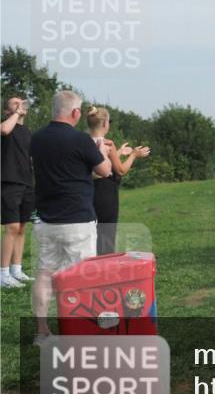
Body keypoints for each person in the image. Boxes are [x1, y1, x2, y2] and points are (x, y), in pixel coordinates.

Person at [30, 90, 113, 343]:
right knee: (85, 275)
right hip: (77, 219)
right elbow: (105, 171)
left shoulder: (36, 139)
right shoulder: (81, 140)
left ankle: (42, 332)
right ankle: (85, 328)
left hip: (46, 219)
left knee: (44, 274)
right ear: (76, 113)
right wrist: (102, 150)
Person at [86, 107, 151, 255]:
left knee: (90, 232)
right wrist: (133, 155)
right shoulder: (108, 144)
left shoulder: (83, 142)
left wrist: (119, 153)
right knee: (106, 231)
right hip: (105, 192)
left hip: (87, 190)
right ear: (105, 124)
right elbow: (121, 170)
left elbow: (98, 163)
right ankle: (104, 263)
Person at [1, 96, 34, 288]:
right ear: (7, 111)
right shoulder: (6, 126)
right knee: (12, 227)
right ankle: (3, 274)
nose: (20, 104)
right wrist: (16, 113)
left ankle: (16, 269)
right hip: (9, 182)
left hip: (27, 183)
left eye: (22, 103)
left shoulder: (27, 132)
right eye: (14, 103)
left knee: (22, 227)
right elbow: (5, 129)